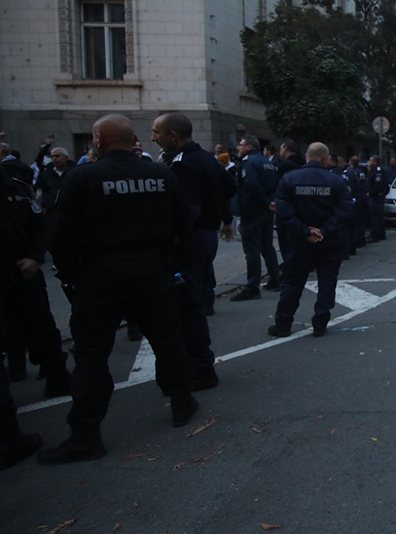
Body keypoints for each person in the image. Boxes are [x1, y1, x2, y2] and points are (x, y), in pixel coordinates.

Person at [40, 115, 199, 463]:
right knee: (167, 340)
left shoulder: (83, 177)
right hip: (152, 271)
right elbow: (184, 225)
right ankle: (181, 402)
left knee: (92, 354)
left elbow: (60, 234)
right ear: (132, 140)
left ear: (98, 140)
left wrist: (72, 275)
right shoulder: (161, 174)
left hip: (100, 274)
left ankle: (85, 434)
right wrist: (173, 265)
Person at [0, 131, 69, 470]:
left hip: (23, 274)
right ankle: (3, 438)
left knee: (41, 328)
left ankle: (56, 375)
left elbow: (38, 224)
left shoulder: (15, 187)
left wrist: (34, 257)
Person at [151, 113, 235, 389]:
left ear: (173, 135)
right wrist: (224, 220)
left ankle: (200, 367)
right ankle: (198, 363)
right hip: (205, 235)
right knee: (192, 300)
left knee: (188, 305)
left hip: (192, 239)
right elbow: (228, 189)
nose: (154, 138)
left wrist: (170, 239)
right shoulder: (208, 159)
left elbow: (188, 210)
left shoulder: (183, 163)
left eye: (157, 132)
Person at [268, 142, 353, 338]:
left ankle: (283, 323)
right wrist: (323, 230)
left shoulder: (289, 179)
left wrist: (305, 231)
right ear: (325, 158)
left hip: (298, 240)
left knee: (293, 282)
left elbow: (283, 212)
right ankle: (320, 323)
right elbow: (345, 211)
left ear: (307, 156)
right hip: (329, 241)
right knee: (327, 281)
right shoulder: (336, 181)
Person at [231, 134, 280, 301]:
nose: (238, 147)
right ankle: (274, 279)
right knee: (267, 247)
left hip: (252, 210)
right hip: (265, 210)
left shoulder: (248, 162)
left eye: (241, 145)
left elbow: (252, 185)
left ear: (249, 147)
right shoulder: (268, 163)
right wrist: (271, 203)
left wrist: (266, 203)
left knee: (252, 249)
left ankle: (253, 286)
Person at [363, 156, 389, 241]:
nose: (369, 162)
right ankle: (380, 233)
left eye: (370, 160)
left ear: (375, 162)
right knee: (378, 216)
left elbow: (378, 184)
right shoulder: (373, 171)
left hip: (376, 196)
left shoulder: (378, 171)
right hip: (377, 196)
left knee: (375, 216)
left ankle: (375, 235)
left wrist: (370, 192)